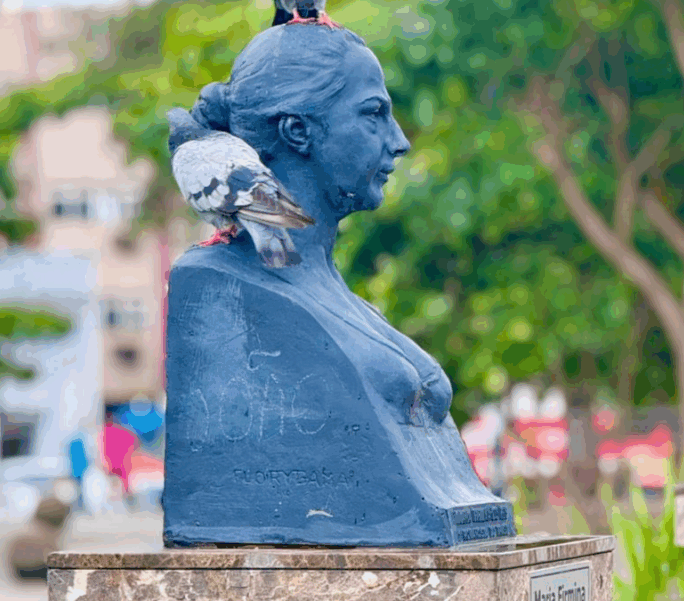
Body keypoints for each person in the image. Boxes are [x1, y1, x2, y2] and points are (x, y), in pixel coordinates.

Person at [162, 24, 514, 547]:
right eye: (373, 114)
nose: (400, 141)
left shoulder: (347, 299)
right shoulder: (217, 283)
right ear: (297, 131)